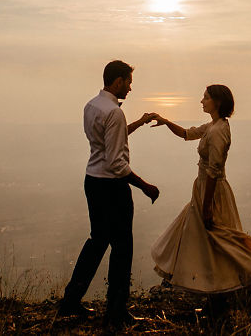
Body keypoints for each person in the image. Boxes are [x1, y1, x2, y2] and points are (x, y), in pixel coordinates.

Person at [58, 60, 160, 327]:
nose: (130, 87)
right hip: (112, 187)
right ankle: (116, 312)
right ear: (117, 81)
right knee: (123, 247)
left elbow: (107, 141)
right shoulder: (114, 112)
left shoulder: (92, 106)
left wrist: (139, 122)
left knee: (97, 242)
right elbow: (116, 162)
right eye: (128, 82)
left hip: (92, 181)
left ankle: (70, 301)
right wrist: (145, 185)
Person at [149, 84, 251, 293]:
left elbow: (214, 171)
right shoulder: (214, 126)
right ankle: (214, 289)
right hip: (203, 190)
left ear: (217, 102)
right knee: (207, 240)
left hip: (211, 192)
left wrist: (206, 207)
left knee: (219, 238)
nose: (201, 101)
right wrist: (164, 122)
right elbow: (187, 134)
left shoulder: (217, 131)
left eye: (205, 98)